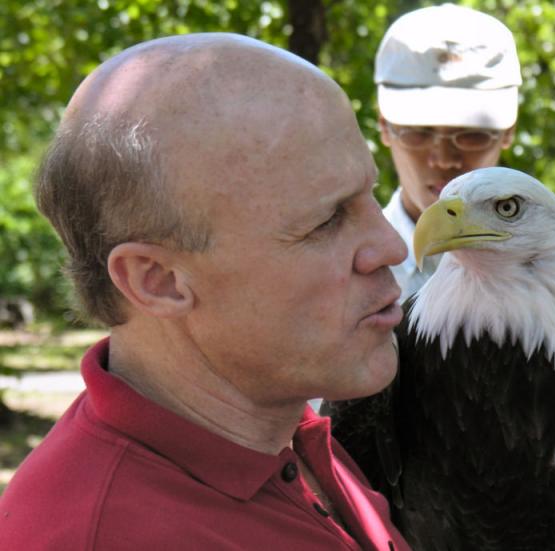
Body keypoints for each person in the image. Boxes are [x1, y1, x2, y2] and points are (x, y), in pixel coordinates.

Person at [0, 33, 413, 551]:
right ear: (158, 280)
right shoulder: (100, 535)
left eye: (369, 195)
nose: (391, 246)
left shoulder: (280, 425)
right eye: (326, 221)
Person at [375, 3, 522, 301]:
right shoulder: (340, 275)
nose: (444, 158)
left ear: (508, 131)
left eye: (472, 134)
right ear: (384, 127)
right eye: (418, 131)